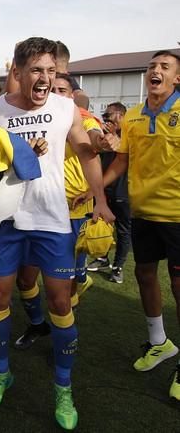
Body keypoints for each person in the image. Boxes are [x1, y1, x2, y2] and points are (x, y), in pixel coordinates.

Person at [0, 37, 114, 430]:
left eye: (51, 71)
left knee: (59, 302)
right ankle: (1, 373)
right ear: (18, 73)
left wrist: (101, 197)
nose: (44, 78)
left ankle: (63, 387)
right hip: (6, 219)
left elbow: (87, 152)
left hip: (53, 220)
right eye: (37, 70)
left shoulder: (65, 107)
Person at [93, 50, 180, 400]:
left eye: (165, 67)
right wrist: (94, 190)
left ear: (177, 79)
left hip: (177, 215)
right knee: (145, 275)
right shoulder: (131, 117)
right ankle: (159, 342)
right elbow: (121, 162)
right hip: (143, 212)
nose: (155, 71)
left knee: (178, 285)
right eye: (152, 67)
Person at [12, 73, 116, 351]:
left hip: (74, 213)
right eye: (52, 89)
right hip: (36, 211)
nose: (55, 93)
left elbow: (92, 141)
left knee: (64, 287)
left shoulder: (81, 117)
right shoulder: (34, 114)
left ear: (72, 95)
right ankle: (36, 324)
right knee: (25, 278)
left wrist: (101, 144)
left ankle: (65, 338)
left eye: (62, 90)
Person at [86, 102, 130, 284]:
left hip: (123, 191)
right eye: (104, 117)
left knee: (123, 231)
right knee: (101, 224)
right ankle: (103, 258)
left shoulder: (129, 135)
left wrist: (115, 138)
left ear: (120, 115)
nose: (105, 120)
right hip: (104, 189)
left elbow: (126, 160)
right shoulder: (104, 135)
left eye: (108, 116)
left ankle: (118, 267)